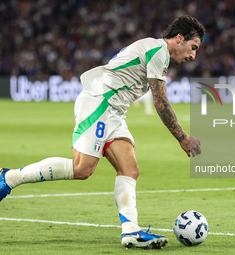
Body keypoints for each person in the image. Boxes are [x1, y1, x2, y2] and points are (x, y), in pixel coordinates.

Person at [0, 15, 205, 249]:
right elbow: (161, 102)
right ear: (179, 38)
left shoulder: (156, 51)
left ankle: (131, 232)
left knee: (130, 168)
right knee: (82, 169)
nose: (192, 55)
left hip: (114, 111)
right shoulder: (157, 50)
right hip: (100, 104)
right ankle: (9, 177)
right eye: (193, 47)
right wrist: (182, 137)